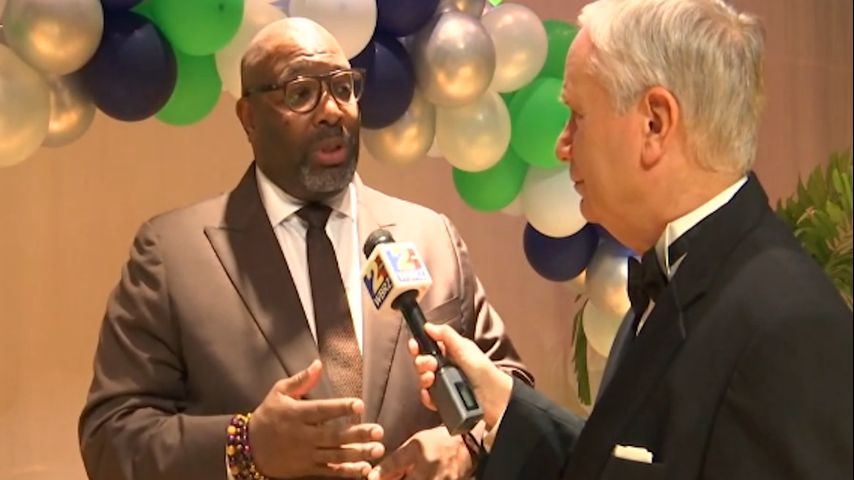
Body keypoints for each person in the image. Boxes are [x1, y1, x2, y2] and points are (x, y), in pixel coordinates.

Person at [402, 0, 853, 479]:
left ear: (654, 123)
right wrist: (502, 403)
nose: (562, 145)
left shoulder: (788, 327)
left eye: (578, 115)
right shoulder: (675, 275)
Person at [78, 18, 532, 480]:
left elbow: (512, 387)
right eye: (301, 93)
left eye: (343, 88)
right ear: (249, 117)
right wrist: (246, 445)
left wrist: (466, 445)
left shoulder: (431, 236)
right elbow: (111, 439)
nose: (332, 111)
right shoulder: (171, 256)